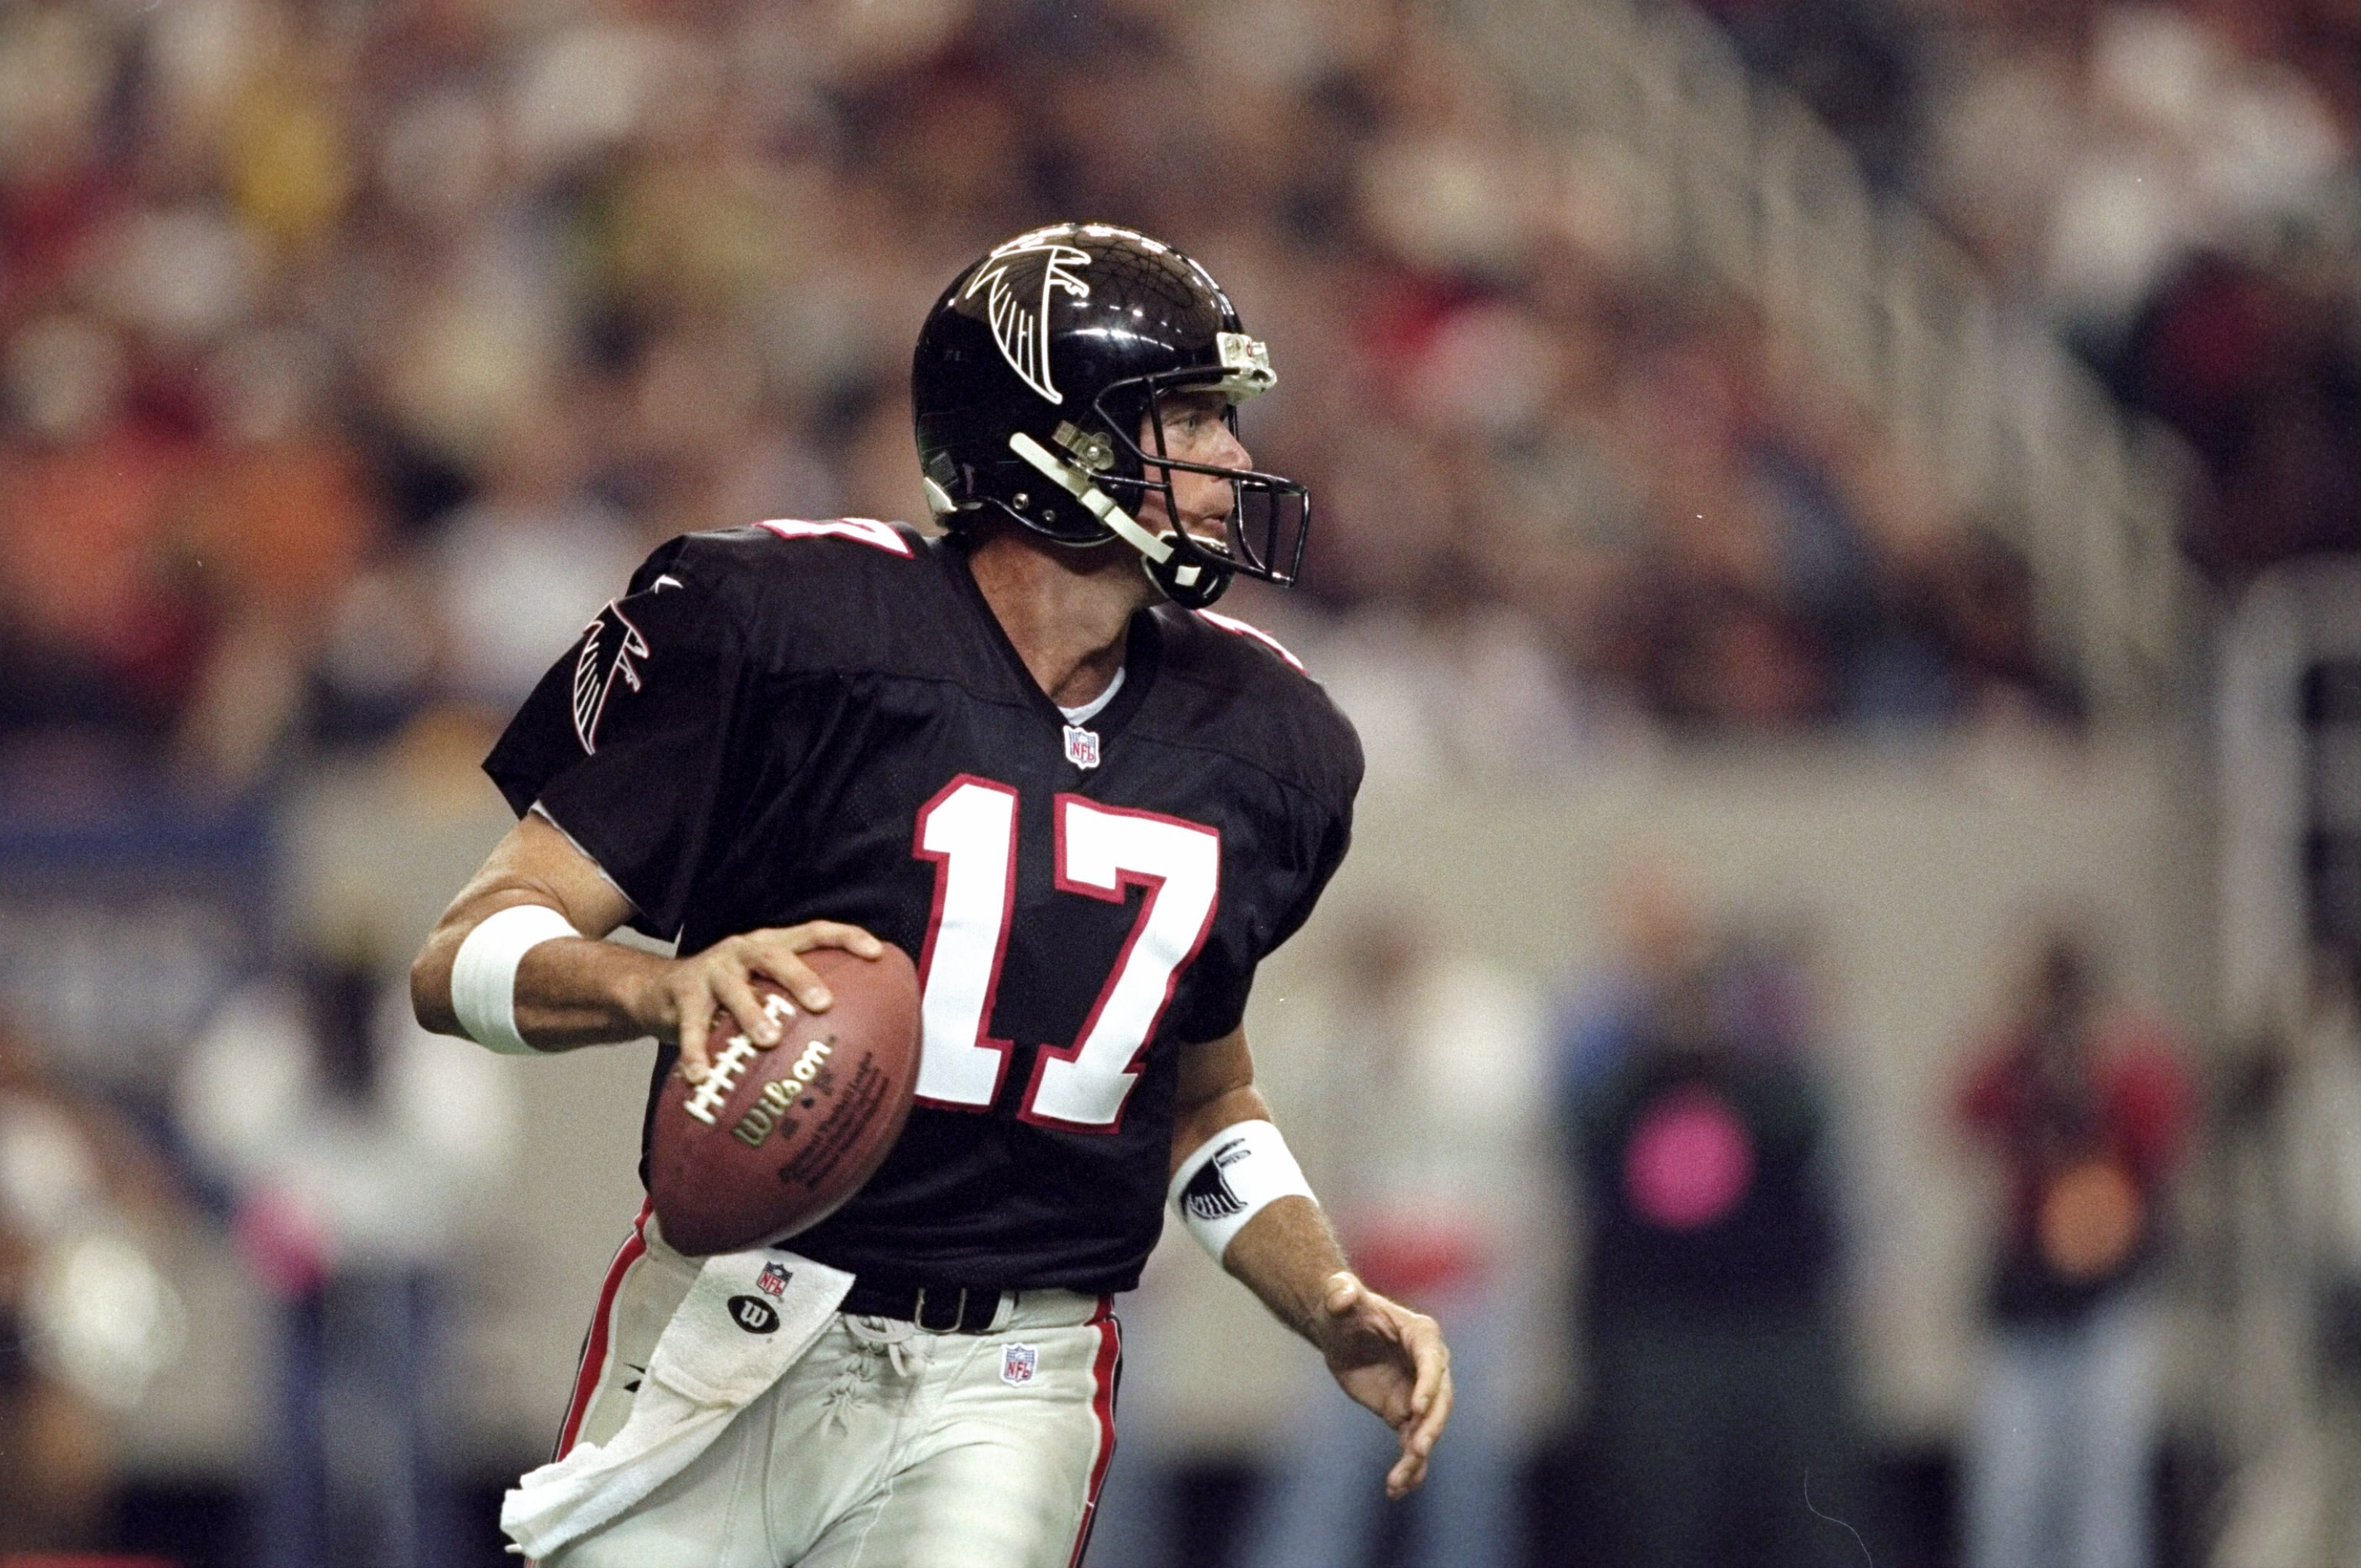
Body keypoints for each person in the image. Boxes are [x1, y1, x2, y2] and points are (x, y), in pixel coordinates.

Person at [408, 222, 1452, 1568]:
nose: (1235, 458)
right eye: (1191, 417)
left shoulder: (1266, 740)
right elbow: (460, 958)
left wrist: (1323, 1296)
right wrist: (659, 990)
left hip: (1011, 1385)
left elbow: (1200, 1102)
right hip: (737, 1316)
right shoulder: (787, 626)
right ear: (1053, 442)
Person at [1955, 932, 2191, 1568]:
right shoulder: (2017, 1067)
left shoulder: (2127, 1064)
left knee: (2105, 1488)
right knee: (2012, 1486)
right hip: (2026, 1301)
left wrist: (2105, 1062)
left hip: (2107, 1297)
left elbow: (2164, 1135)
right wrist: (2017, 1044)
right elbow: (1963, 1110)